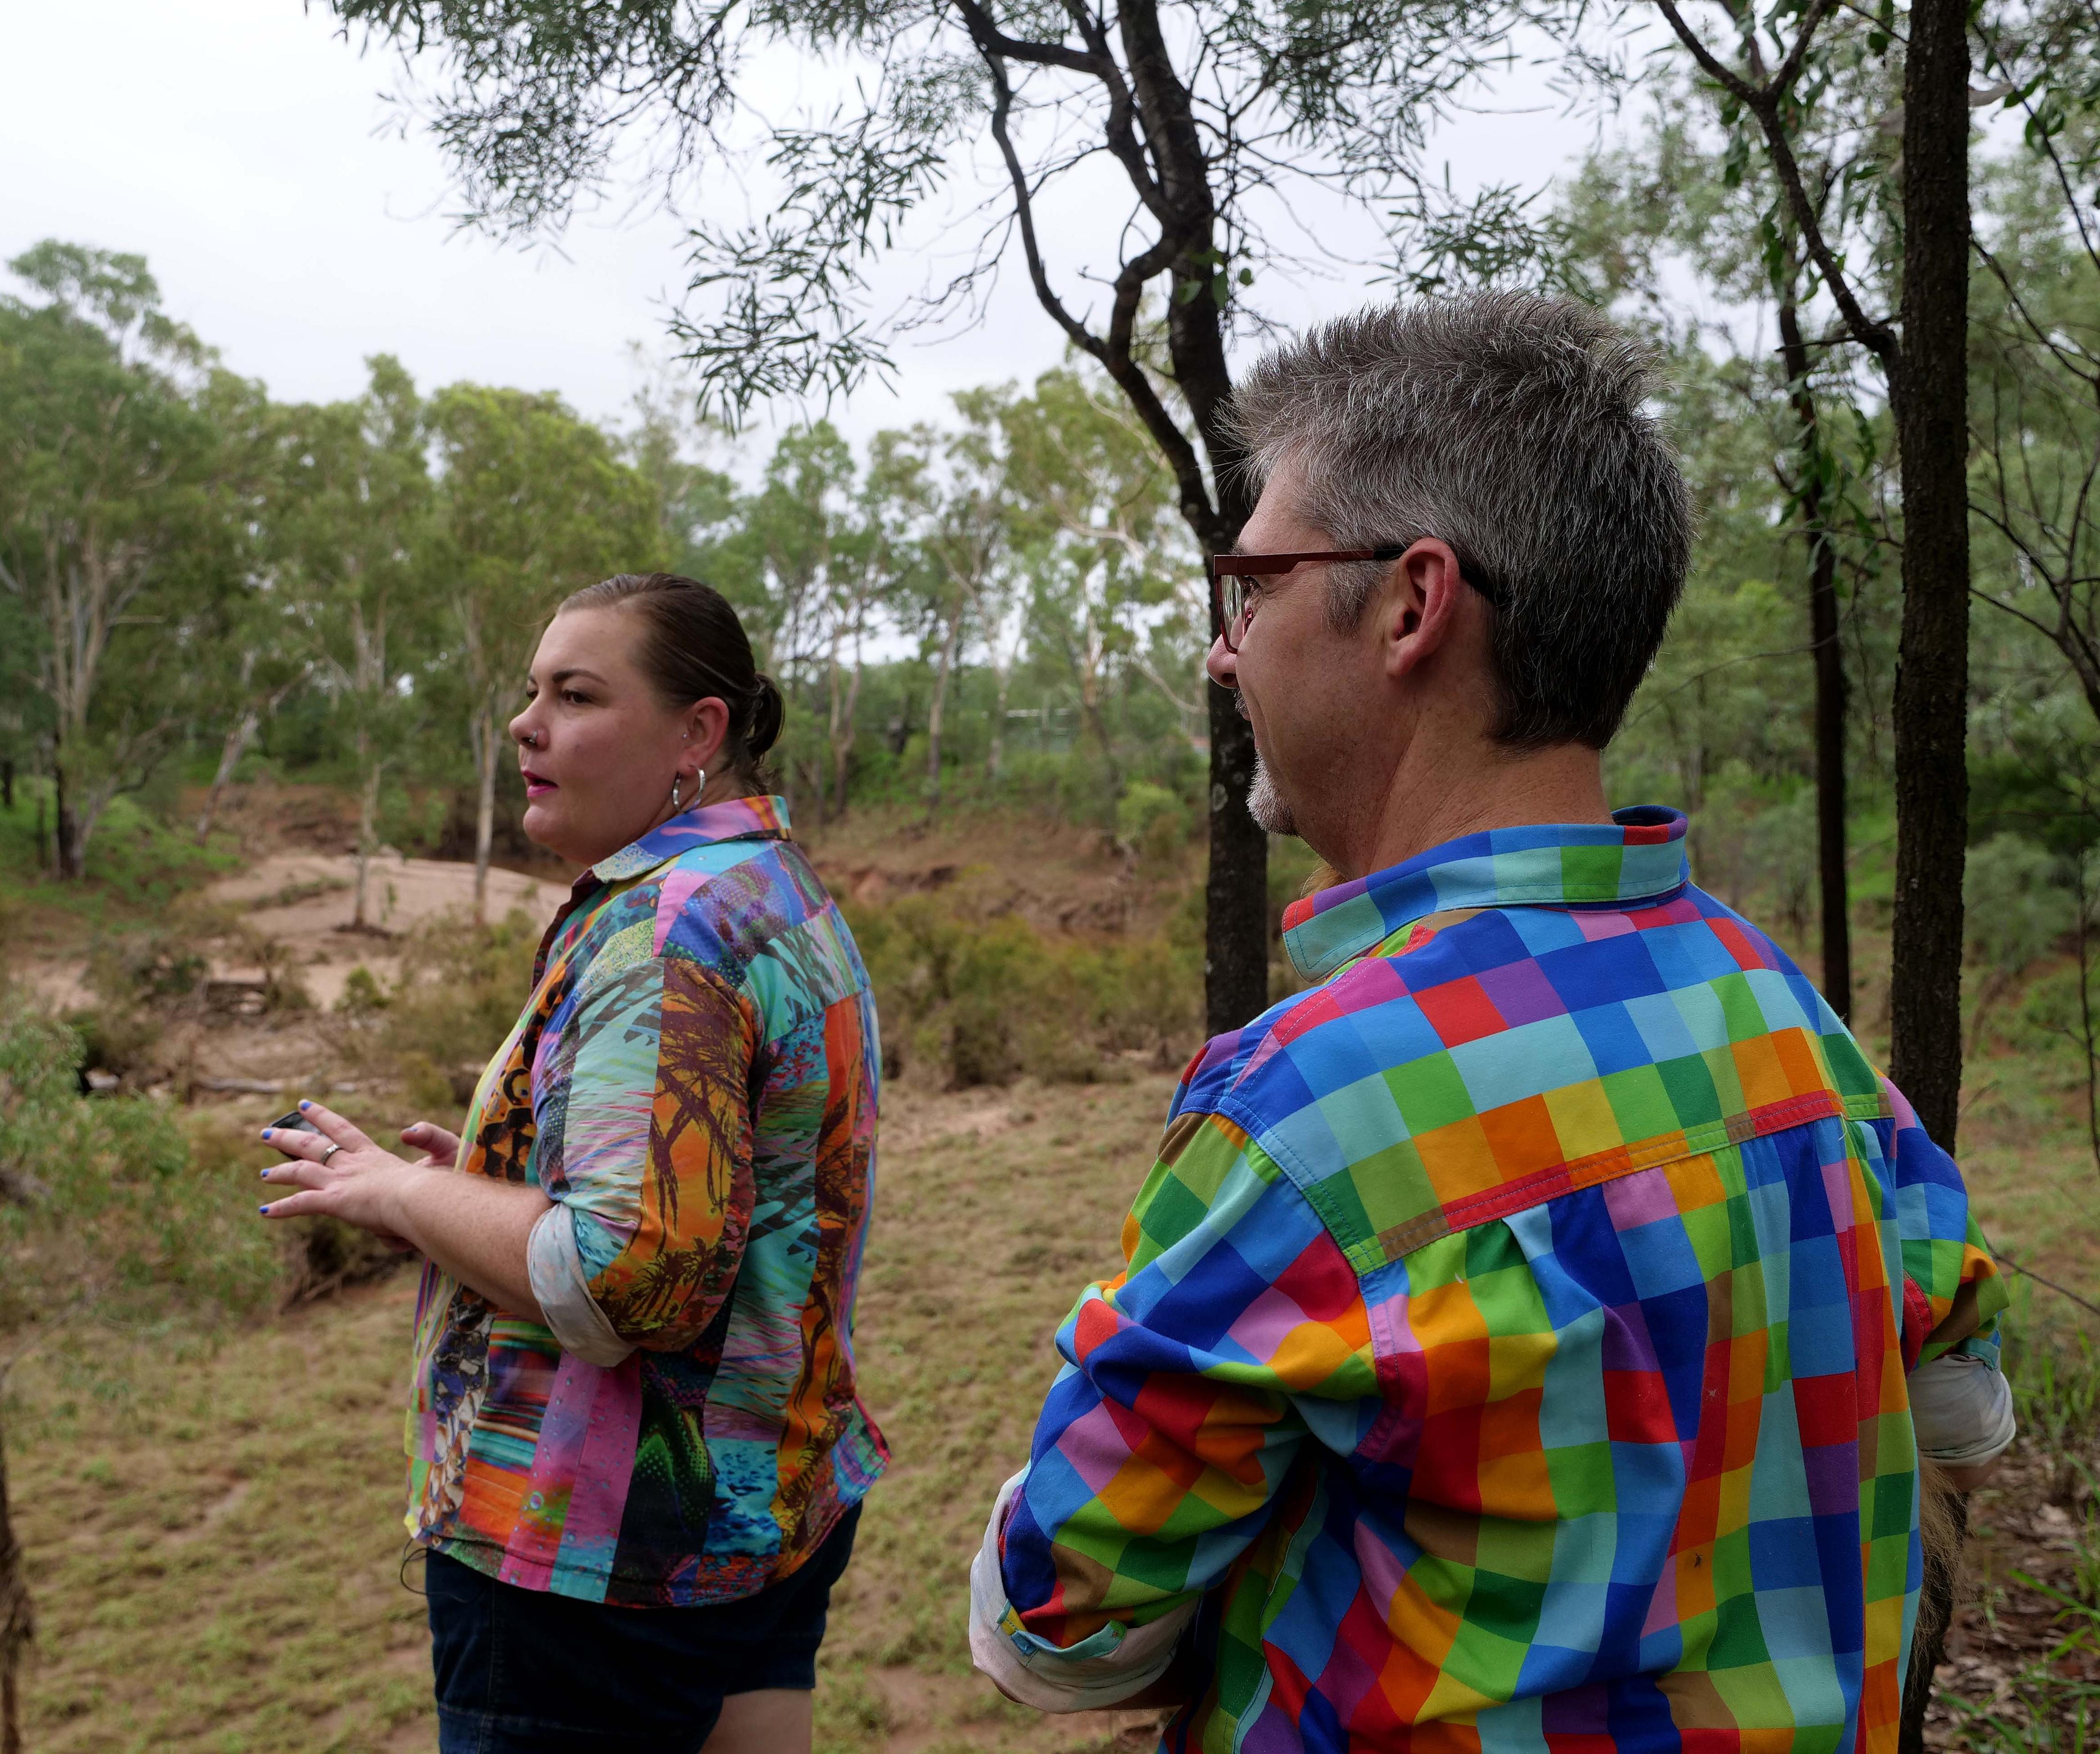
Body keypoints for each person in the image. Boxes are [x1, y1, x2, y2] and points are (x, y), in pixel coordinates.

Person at [968, 295, 2015, 1751]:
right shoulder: (1796, 1027)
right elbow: (1962, 1409)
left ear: (1411, 603)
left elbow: (1064, 1624)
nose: (1227, 650)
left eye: (1251, 586)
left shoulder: (1306, 1110)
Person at [257, 573, 887, 1754]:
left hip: (600, 1564)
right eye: (531, 691)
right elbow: (720, 1207)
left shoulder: (664, 930)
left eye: (576, 694)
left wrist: (398, 1188)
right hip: (763, 1506)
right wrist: (467, 1195)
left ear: (699, 732)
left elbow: (626, 1279)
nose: (524, 723)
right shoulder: (768, 886)